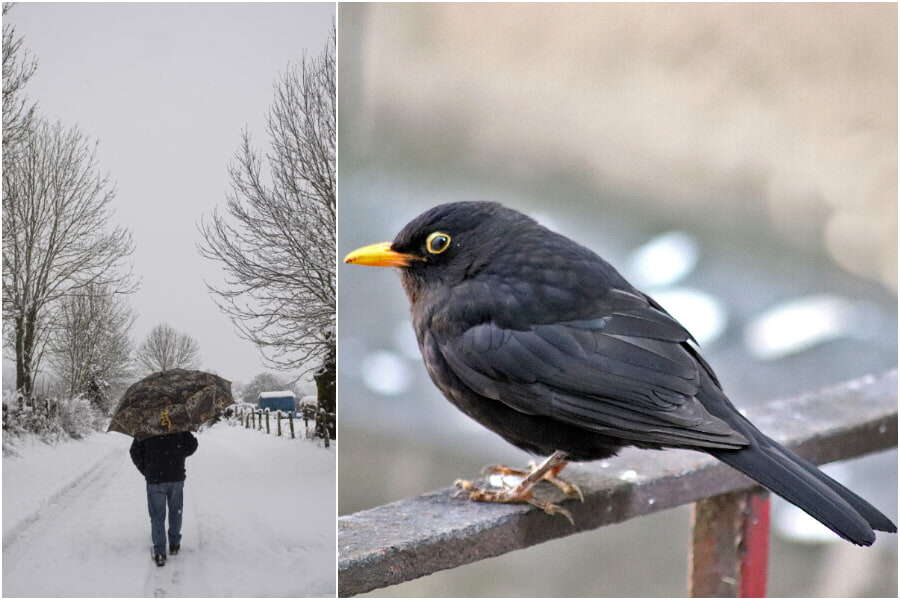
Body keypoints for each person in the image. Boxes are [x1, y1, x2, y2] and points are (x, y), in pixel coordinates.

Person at [129, 431, 198, 567]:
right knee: (175, 511)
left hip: (155, 478)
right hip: (176, 476)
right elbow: (192, 445)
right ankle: (174, 544)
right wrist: (178, 455)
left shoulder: (146, 425)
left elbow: (134, 452)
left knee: (157, 516)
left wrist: (146, 469)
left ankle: (160, 552)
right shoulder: (178, 422)